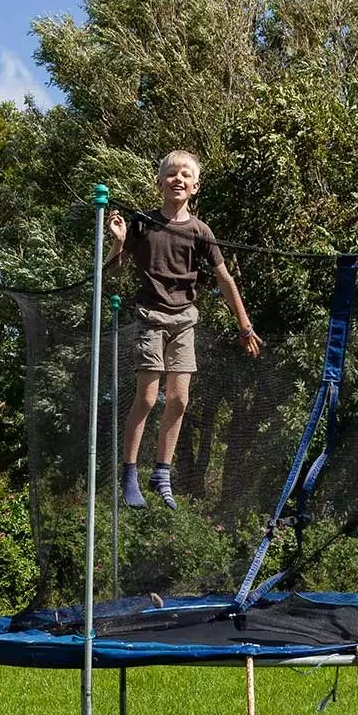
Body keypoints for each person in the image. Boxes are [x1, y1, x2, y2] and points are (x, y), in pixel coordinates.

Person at [107, 150, 262, 510]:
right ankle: (129, 473)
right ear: (159, 183)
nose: (178, 179)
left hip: (184, 322)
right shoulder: (142, 223)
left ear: (195, 187)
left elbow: (224, 279)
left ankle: (161, 474)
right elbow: (112, 272)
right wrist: (118, 241)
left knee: (179, 400)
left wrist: (244, 325)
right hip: (150, 318)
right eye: (171, 174)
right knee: (148, 398)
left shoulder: (200, 231)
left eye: (185, 175)